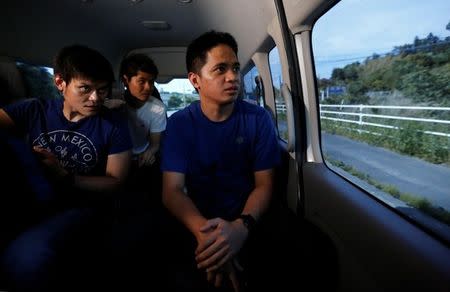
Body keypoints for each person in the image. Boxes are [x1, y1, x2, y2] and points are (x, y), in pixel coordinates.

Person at [0, 44, 132, 292]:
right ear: (60, 82)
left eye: (102, 91)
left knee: (26, 259)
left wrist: (67, 177)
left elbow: (116, 180)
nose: (95, 98)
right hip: (27, 198)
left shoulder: (113, 125)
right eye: (85, 88)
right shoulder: (33, 110)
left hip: (78, 206)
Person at [161, 30, 280, 291]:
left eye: (236, 68)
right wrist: (215, 241)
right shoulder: (180, 124)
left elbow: (264, 185)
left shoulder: (258, 119)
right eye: (220, 69)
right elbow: (172, 191)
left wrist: (241, 228)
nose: (233, 77)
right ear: (196, 80)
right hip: (197, 219)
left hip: (246, 216)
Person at [118, 53, 167, 200]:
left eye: (151, 82)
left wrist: (149, 153)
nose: (148, 87)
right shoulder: (113, 103)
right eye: (142, 81)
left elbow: (155, 144)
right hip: (119, 157)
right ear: (126, 80)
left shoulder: (157, 108)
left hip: (142, 158)